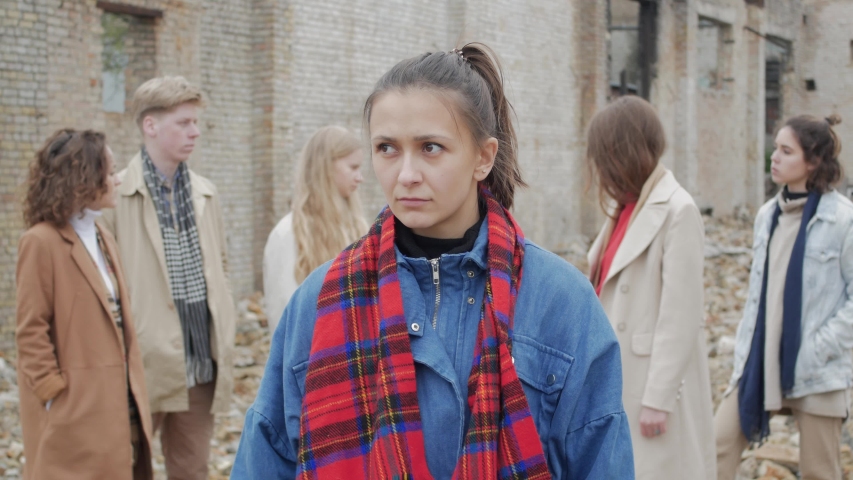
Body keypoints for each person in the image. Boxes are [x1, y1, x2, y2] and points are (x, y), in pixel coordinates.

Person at [231, 43, 633, 479]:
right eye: (387, 148)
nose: (405, 174)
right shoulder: (320, 301)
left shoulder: (561, 302)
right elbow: (267, 456)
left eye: (430, 148)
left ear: (483, 157)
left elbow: (601, 459)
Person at [100, 76, 237, 480]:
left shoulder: (206, 193)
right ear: (150, 126)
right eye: (184, 122)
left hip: (201, 363)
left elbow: (221, 268)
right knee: (124, 467)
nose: (194, 132)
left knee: (192, 470)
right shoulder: (115, 196)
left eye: (196, 122)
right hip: (143, 364)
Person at [586, 96, 716, 479]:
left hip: (650, 386)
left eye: (604, 155)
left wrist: (658, 399)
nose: (599, 167)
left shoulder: (679, 210)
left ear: (623, 152)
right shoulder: (626, 207)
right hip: (617, 373)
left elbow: (682, 314)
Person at [715, 114, 850, 480]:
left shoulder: (843, 220)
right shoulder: (766, 215)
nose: (774, 157)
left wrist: (817, 347)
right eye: (776, 148)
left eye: (786, 151)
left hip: (817, 368)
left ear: (814, 161)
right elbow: (759, 295)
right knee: (718, 446)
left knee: (820, 472)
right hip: (761, 360)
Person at [16, 129, 153, 479]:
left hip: (120, 402)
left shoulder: (103, 236)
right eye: (109, 172)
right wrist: (55, 395)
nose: (117, 179)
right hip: (75, 414)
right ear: (83, 179)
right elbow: (30, 330)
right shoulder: (40, 242)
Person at [263, 125, 368, 331]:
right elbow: (284, 320)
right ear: (326, 167)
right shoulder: (288, 234)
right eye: (353, 167)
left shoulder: (356, 227)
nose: (360, 177)